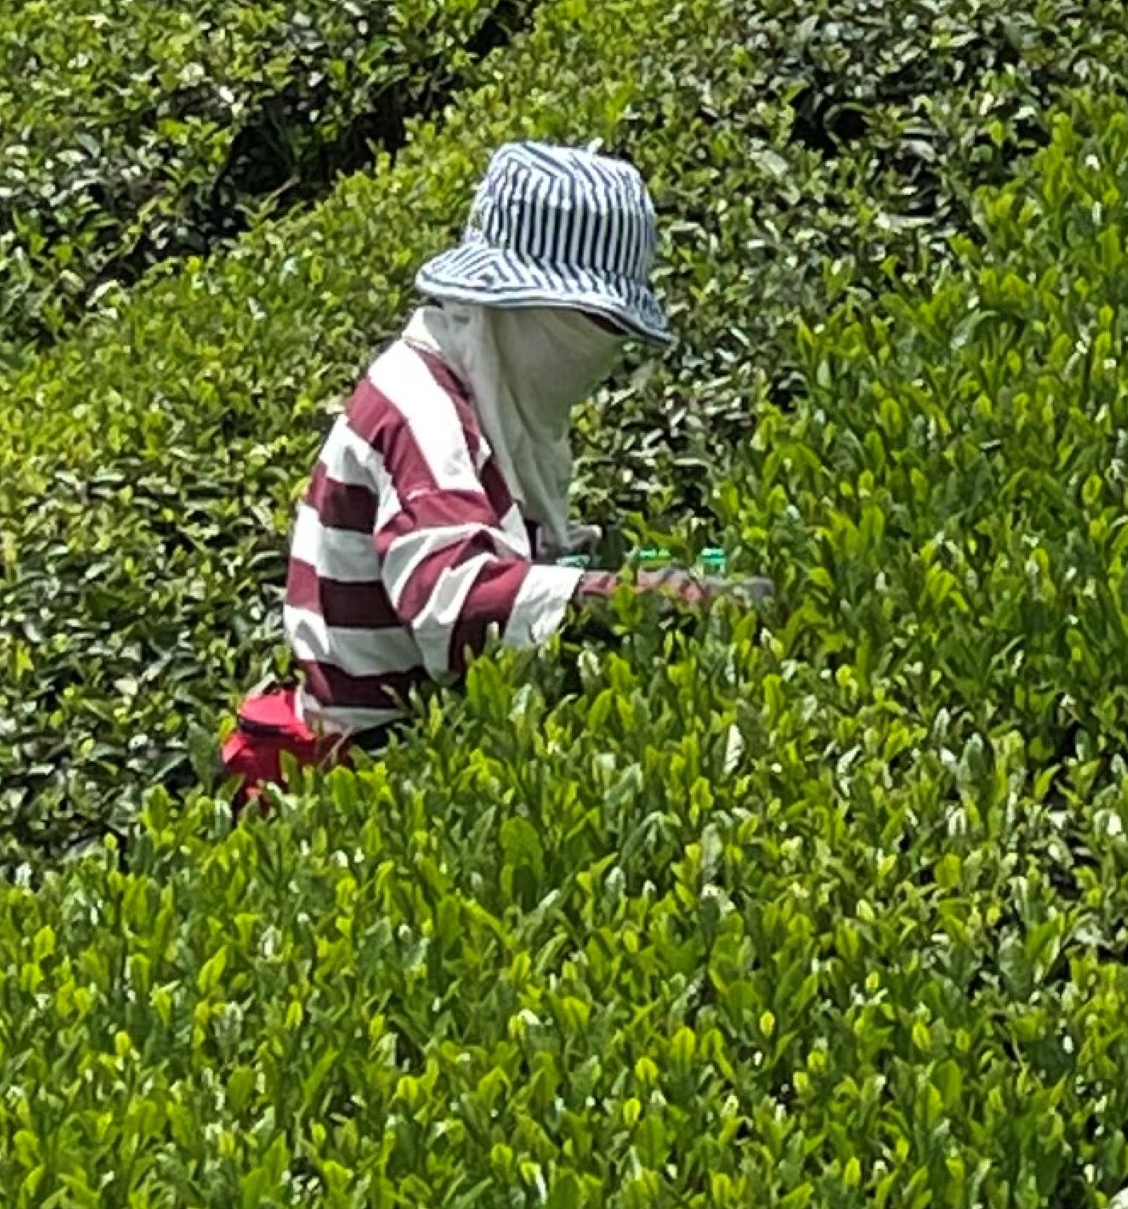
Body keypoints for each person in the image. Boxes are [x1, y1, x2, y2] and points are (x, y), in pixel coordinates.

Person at [230, 139, 747, 794]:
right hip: (373, 770)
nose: (598, 354)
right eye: (586, 324)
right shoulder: (422, 413)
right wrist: (643, 595)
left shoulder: (482, 397)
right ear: (518, 311)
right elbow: (459, 607)